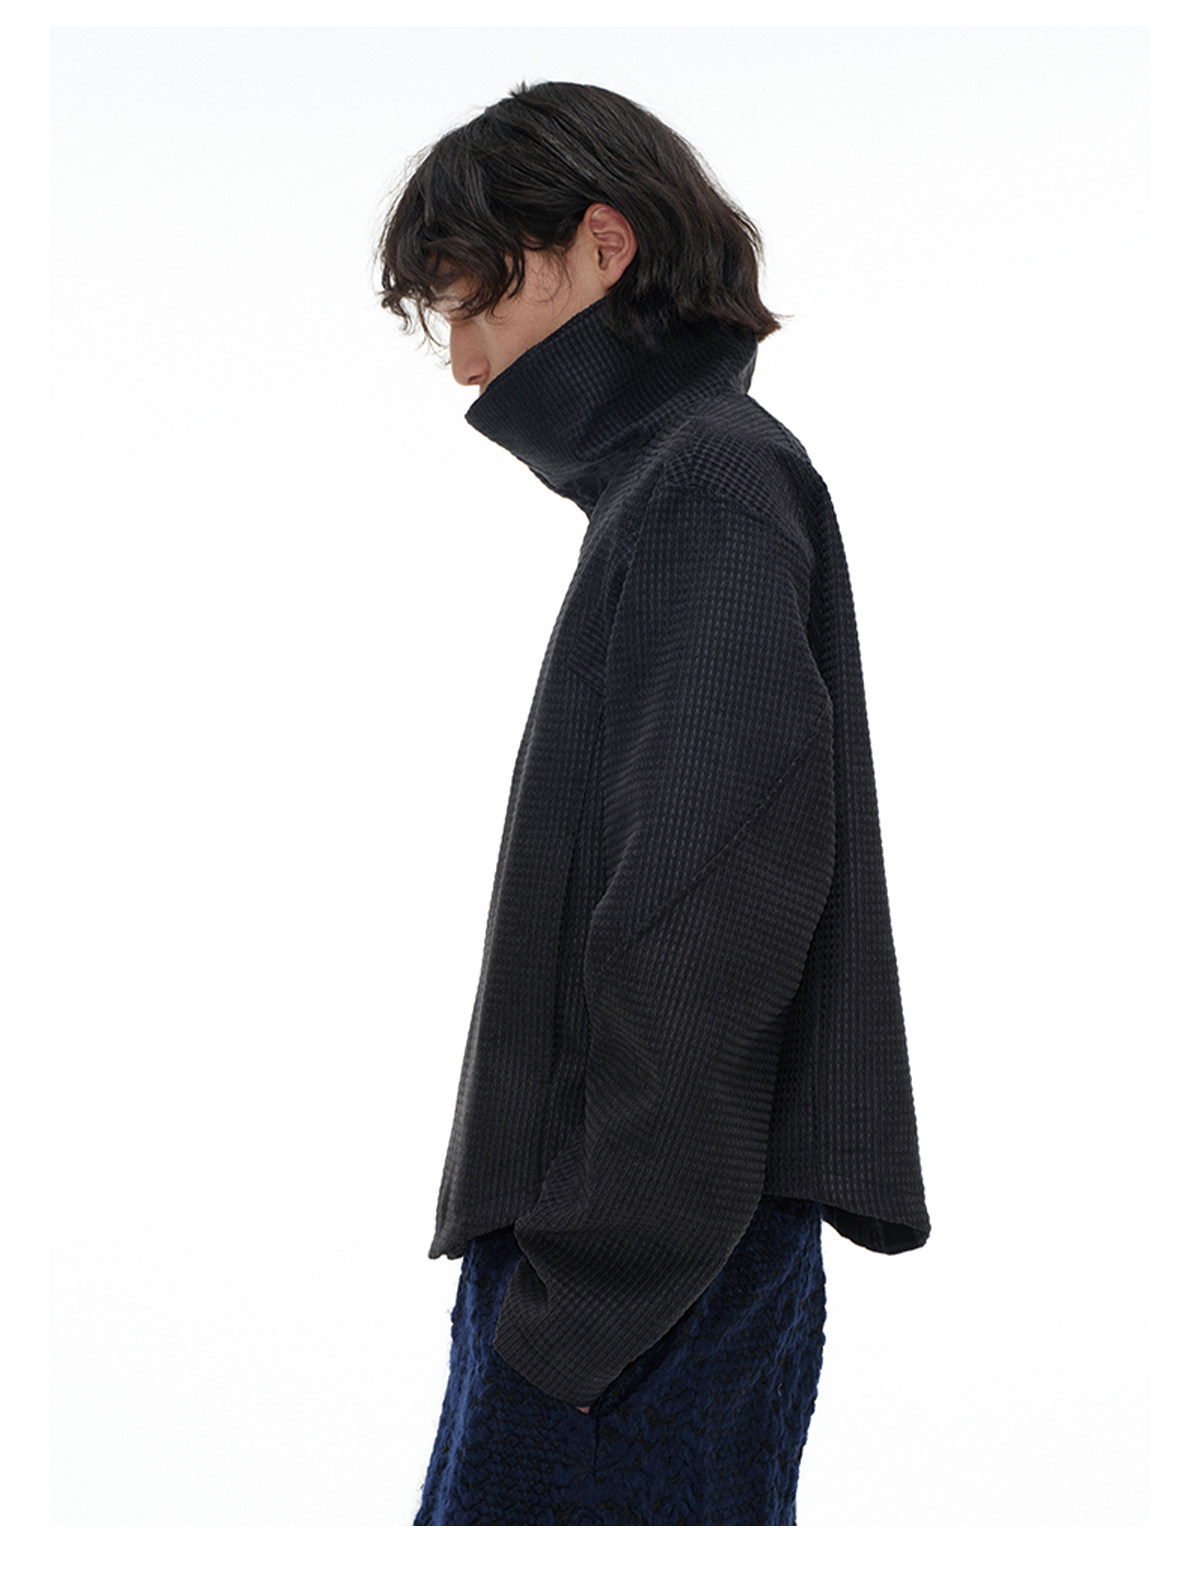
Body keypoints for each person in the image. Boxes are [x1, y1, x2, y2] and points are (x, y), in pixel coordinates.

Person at [375, 79, 931, 1526]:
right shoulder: (687, 486)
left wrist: (584, 1295)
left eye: (471, 300)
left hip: (640, 1286)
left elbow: (706, 917)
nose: (465, 364)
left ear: (603, 246)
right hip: (651, 1265)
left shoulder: (705, 489)